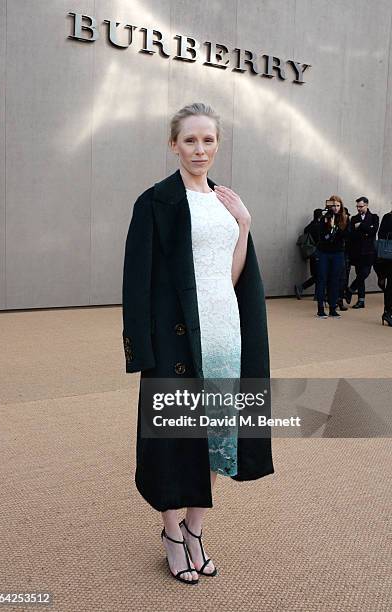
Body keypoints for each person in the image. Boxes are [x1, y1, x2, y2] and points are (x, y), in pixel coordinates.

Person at [122, 102, 274, 585]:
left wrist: (245, 224)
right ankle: (170, 534)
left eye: (208, 140)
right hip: (177, 342)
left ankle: (194, 529)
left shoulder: (227, 202)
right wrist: (142, 351)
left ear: (217, 144)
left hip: (225, 333)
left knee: (214, 440)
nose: (200, 149)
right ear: (174, 144)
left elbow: (230, 279)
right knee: (175, 438)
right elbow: (136, 284)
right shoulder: (154, 202)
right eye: (190, 140)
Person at [315, 196, 349, 318]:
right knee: (322, 279)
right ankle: (320, 308)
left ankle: (333, 307)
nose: (335, 208)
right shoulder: (324, 218)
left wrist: (335, 228)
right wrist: (328, 223)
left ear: (341, 206)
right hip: (323, 252)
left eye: (338, 205)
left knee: (335, 280)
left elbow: (345, 235)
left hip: (338, 253)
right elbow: (322, 236)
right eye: (333, 205)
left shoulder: (345, 218)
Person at [345, 196, 379, 308]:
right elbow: (352, 235)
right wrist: (365, 230)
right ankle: (361, 300)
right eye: (357, 206)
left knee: (365, 273)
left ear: (367, 205)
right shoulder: (354, 218)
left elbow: (373, 231)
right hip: (358, 251)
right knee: (360, 275)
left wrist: (361, 226)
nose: (359, 208)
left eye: (361, 206)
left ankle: (350, 289)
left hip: (369, 251)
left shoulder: (374, 217)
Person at [294, 208, 321, 299]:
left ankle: (316, 295)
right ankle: (301, 287)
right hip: (318, 252)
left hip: (311, 253)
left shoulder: (308, 227)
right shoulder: (319, 227)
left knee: (316, 274)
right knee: (319, 274)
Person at [374, 206, 392, 326]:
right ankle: (388, 312)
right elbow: (381, 235)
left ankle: (388, 312)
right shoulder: (388, 217)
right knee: (391, 284)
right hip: (389, 255)